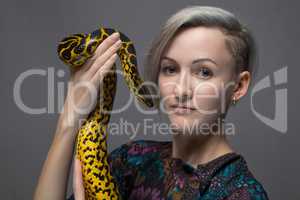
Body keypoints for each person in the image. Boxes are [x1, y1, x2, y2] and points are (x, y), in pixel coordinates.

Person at [34, 6, 269, 200]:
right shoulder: (133, 159)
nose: (181, 90)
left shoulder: (241, 193)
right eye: (170, 69)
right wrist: (68, 122)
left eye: (204, 72)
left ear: (238, 87)